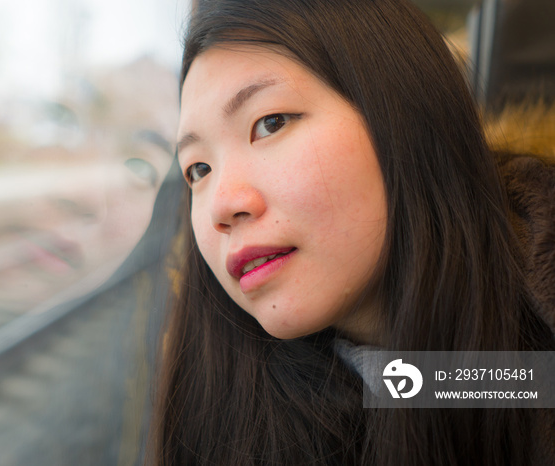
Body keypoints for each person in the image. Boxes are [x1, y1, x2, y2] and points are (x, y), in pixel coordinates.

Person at [149, 0, 555, 465]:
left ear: (406, 114)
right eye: (197, 169)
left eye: (271, 123)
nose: (221, 205)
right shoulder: (216, 412)